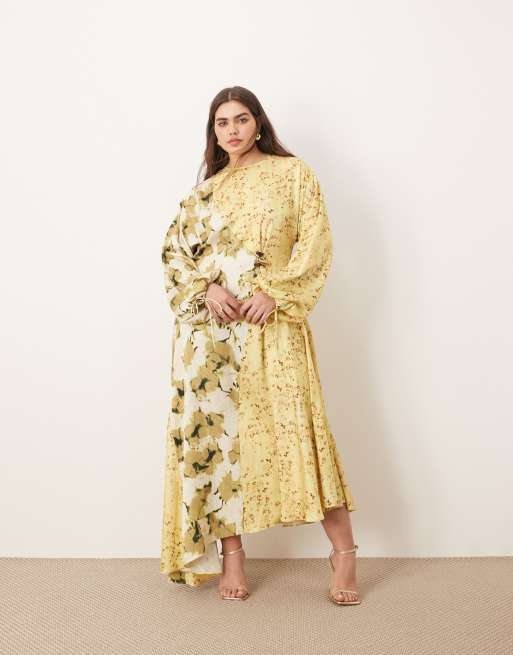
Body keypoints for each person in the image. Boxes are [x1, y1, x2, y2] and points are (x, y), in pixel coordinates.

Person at [159, 86, 360, 606]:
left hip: (274, 323)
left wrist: (276, 293)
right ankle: (232, 557)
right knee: (220, 441)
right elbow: (175, 254)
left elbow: (316, 242)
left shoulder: (293, 175)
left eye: (241, 119)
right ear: (213, 132)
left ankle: (344, 554)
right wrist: (207, 288)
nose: (232, 130)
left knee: (302, 433)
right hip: (215, 337)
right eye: (222, 122)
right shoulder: (204, 194)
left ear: (259, 123)